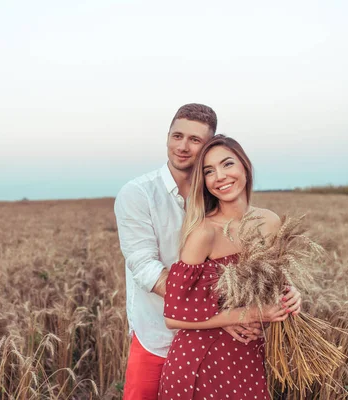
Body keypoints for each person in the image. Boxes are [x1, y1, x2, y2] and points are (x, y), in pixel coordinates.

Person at [114, 104, 302, 400]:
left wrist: (289, 294)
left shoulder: (228, 202)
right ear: (167, 137)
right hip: (158, 333)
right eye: (177, 136)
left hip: (239, 345)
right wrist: (228, 312)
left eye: (195, 140)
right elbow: (143, 266)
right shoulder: (138, 194)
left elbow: (269, 273)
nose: (183, 147)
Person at [159, 135, 291, 400]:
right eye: (209, 171)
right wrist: (245, 315)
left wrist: (291, 294)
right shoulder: (204, 233)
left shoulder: (270, 221)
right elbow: (172, 317)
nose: (219, 176)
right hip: (201, 361)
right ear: (204, 182)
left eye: (227, 164)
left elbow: (277, 279)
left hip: (247, 355)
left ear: (244, 166)